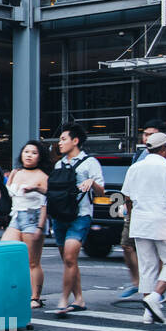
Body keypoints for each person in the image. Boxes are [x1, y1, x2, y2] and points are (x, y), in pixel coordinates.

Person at [120, 132, 166, 324]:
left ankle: (148, 313)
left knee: (148, 267)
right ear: (164, 149)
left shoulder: (135, 168)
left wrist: (132, 216)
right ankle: (155, 297)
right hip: (164, 220)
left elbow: (127, 198)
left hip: (140, 220)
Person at [51, 124, 104, 316]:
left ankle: (64, 300)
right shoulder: (59, 164)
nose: (60, 143)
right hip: (60, 216)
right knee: (69, 261)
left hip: (81, 215)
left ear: (75, 141)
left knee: (70, 257)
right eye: (59, 140)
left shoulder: (90, 163)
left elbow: (102, 191)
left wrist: (92, 183)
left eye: (63, 139)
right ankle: (79, 299)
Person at [118, 119, 166, 297]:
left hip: (159, 214)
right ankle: (142, 286)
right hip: (138, 212)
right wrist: (128, 209)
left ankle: (156, 289)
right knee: (128, 246)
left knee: (159, 256)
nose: (147, 138)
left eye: (151, 134)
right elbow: (129, 190)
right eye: (145, 134)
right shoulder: (139, 156)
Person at [2, 141, 49, 308]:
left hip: (33, 217)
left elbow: (45, 204)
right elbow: (7, 193)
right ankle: (15, 290)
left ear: (39, 156)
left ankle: (35, 297)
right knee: (5, 252)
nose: (29, 155)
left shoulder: (42, 176)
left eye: (34, 152)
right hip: (15, 216)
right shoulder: (16, 172)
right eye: (26, 151)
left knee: (33, 261)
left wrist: (40, 226)